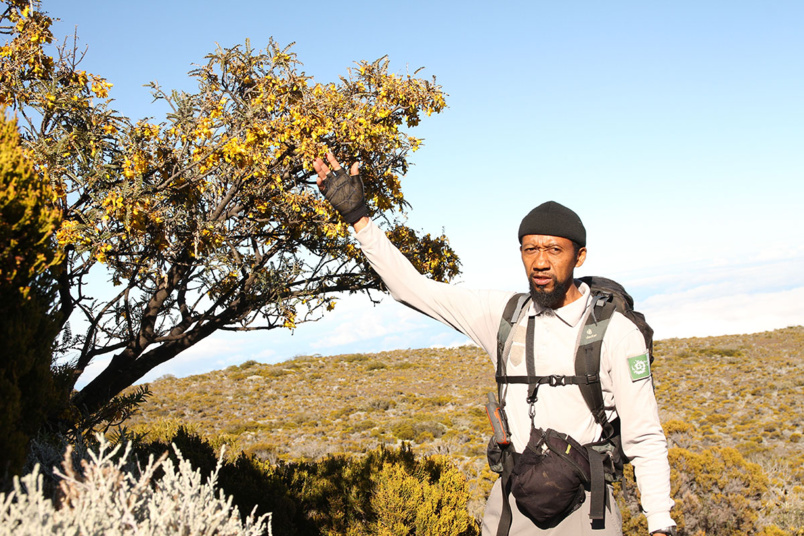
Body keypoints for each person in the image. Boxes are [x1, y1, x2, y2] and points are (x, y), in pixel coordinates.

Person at [313, 153, 676, 536]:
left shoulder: (616, 334)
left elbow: (645, 437)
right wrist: (359, 219)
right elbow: (412, 290)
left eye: (554, 250)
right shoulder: (503, 316)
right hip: (510, 505)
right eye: (530, 249)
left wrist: (660, 524)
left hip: (586, 513)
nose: (540, 261)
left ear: (579, 256)